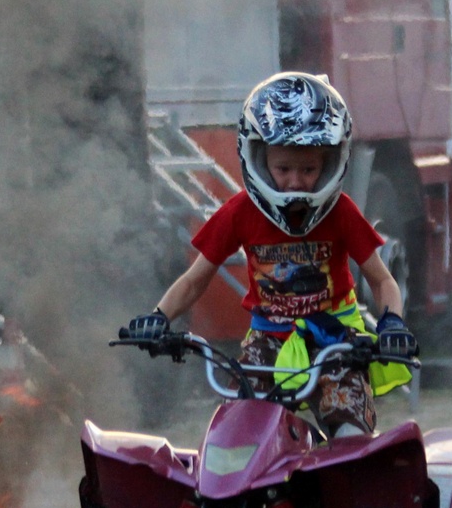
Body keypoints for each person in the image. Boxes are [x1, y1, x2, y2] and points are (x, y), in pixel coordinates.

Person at [126, 73, 415, 437]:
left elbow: (382, 279)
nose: (295, 181)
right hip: (267, 344)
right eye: (283, 169)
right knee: (239, 434)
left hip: (334, 340)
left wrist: (392, 324)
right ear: (259, 160)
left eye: (308, 169)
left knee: (351, 438)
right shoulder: (239, 212)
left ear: (330, 162)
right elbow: (194, 280)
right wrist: (158, 318)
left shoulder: (341, 211)